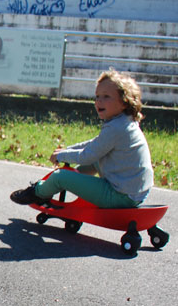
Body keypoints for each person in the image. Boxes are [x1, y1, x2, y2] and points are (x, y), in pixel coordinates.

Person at [10, 69, 153, 208]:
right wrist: (68, 150)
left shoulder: (116, 128)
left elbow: (88, 155)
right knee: (95, 161)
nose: (99, 101)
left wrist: (62, 155)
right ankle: (62, 182)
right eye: (97, 97)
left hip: (120, 196)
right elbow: (95, 145)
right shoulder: (124, 122)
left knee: (61, 176)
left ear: (124, 102)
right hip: (134, 193)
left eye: (106, 97)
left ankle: (38, 193)